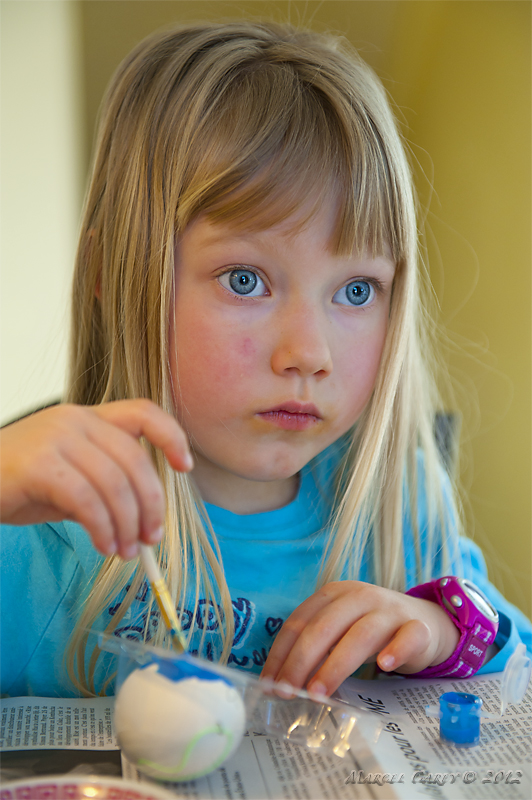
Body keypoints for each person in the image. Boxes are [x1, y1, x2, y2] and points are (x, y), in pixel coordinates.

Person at [1, 21, 530, 699]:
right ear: (115, 276)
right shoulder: (36, 536)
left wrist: (439, 630)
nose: (308, 354)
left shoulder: (397, 508)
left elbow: (510, 652)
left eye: (357, 290)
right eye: (245, 280)